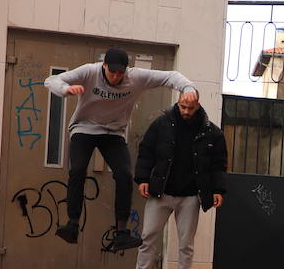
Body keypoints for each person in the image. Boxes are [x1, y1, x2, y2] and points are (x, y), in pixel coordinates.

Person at [43, 48, 194, 250]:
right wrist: (65, 89)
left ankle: (122, 232)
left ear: (126, 70)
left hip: (113, 133)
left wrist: (188, 88)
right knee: (77, 169)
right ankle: (72, 224)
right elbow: (52, 80)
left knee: (124, 175)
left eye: (120, 73)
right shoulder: (90, 72)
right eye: (111, 72)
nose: (115, 77)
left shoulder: (136, 77)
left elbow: (170, 77)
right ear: (104, 66)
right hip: (84, 128)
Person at [118, 88, 227, 269]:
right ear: (177, 103)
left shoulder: (212, 132)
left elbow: (219, 164)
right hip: (161, 192)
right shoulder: (162, 124)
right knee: (148, 237)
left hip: (190, 196)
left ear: (198, 105)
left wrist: (218, 190)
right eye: (182, 107)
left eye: (190, 108)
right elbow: (146, 151)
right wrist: (143, 179)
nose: (186, 111)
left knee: (186, 244)